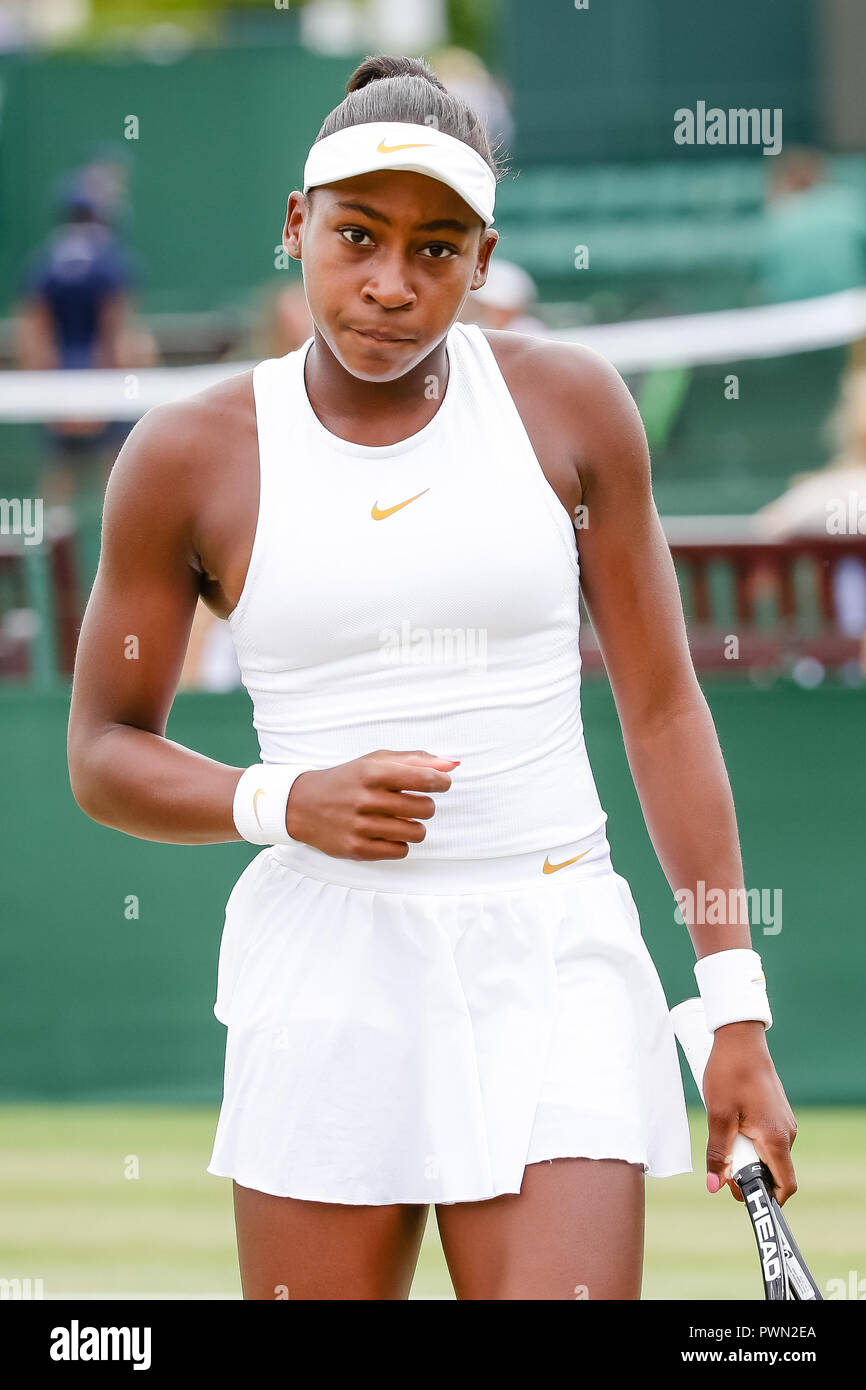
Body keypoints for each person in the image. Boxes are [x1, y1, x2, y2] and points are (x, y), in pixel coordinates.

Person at [67, 54, 797, 1301]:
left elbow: (663, 707)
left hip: (558, 944)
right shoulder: (185, 457)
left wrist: (733, 1007)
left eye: (438, 250)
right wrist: (281, 802)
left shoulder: (570, 407)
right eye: (356, 236)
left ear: (483, 255)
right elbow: (102, 752)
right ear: (296, 225)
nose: (391, 286)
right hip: (327, 974)